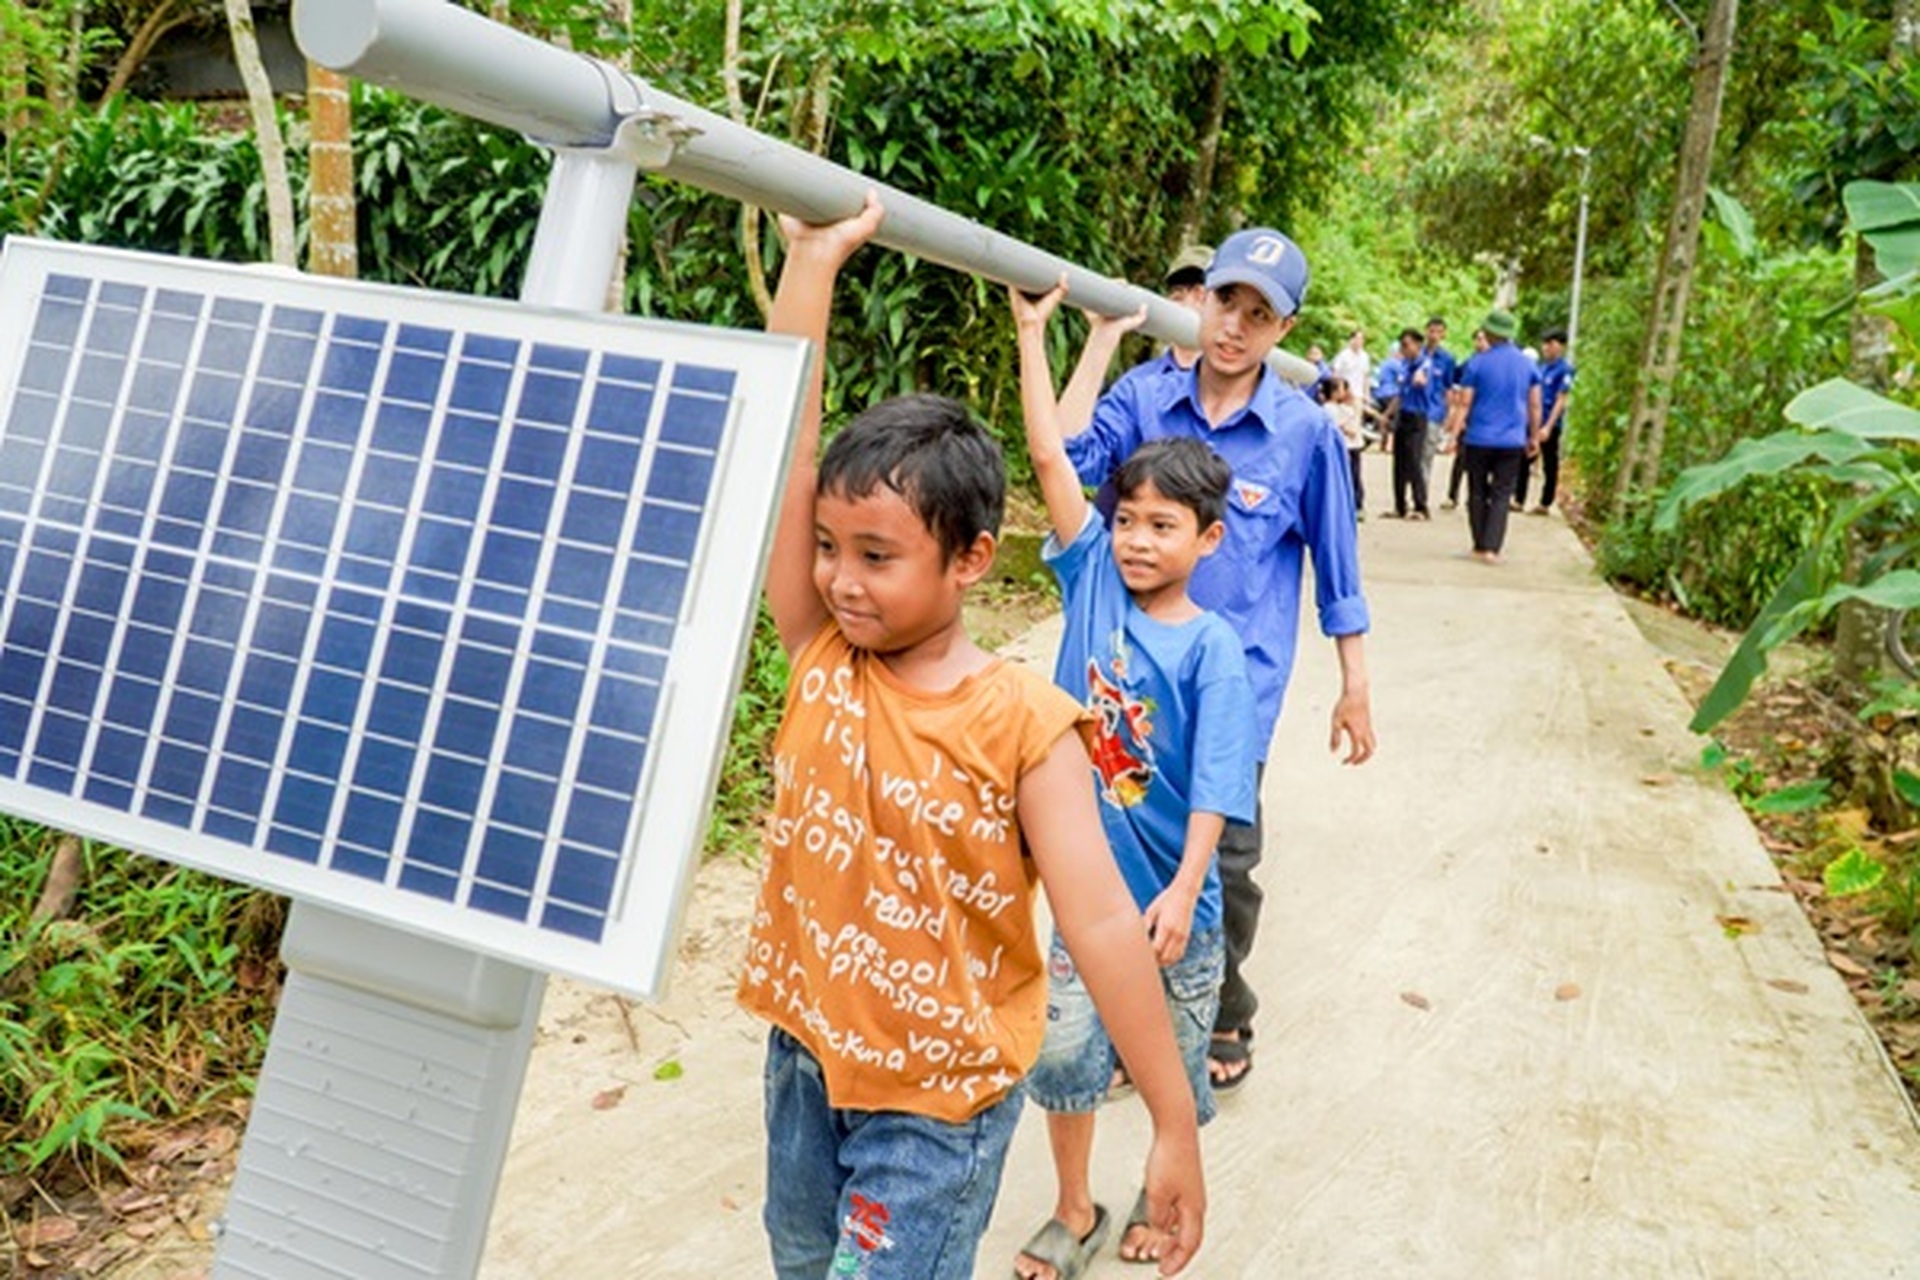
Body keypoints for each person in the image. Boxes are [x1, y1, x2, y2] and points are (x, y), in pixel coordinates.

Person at [738, 194, 1206, 1280]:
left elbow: (1097, 920)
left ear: (972, 560)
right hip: (804, 1060)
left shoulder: (1026, 724)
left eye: (876, 553)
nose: (840, 578)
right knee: (801, 1262)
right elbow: (779, 455)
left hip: (938, 1105)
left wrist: (1172, 1122)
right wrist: (810, 266)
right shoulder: (820, 650)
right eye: (826, 546)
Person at [1059, 226, 1377, 1094]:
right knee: (1132, 852)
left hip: (1238, 685)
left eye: (1258, 314)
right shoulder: (1146, 396)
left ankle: (1225, 1006)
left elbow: (1337, 570)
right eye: (1223, 301)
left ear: (1284, 328)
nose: (1233, 326)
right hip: (1132, 677)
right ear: (1201, 300)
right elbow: (1070, 459)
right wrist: (1094, 343)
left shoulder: (1305, 433)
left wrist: (1354, 685)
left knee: (1225, 861)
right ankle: (1140, 1017)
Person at [1008, 279, 1258, 1277]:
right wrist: (1042, 334)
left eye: (1164, 525)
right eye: (1130, 519)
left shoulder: (1214, 648)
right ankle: (1074, 1206)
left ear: (1208, 538)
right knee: (1065, 1056)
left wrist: (1191, 884)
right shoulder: (1091, 578)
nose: (1139, 538)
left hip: (1175, 908)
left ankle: (1165, 1199)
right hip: (1085, 896)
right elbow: (1046, 455)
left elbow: (1215, 784)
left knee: (1174, 1074)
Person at [1446, 307, 1541, 564]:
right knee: (1502, 493)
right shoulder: (1527, 365)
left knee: (1476, 491)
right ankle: (1492, 549)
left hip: (1478, 438)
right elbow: (1534, 404)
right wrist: (1534, 436)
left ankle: (1478, 545)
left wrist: (1454, 435)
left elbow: (1464, 403)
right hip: (1512, 440)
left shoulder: (1477, 363)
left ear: (1488, 332)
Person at [1379, 327, 1428, 518]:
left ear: (1417, 344)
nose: (1404, 349)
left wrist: (1420, 379)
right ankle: (1400, 505)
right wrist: (1387, 414)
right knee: (1398, 461)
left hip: (1417, 416)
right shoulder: (1405, 366)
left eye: (1407, 345)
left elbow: (1422, 379)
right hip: (1403, 414)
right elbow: (1400, 394)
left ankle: (1420, 506)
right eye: (1402, 345)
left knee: (1414, 462)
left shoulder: (1425, 363)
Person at [1527, 328, 1575, 513]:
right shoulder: (1541, 368)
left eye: (1551, 343)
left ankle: (1545, 502)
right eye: (1545, 343)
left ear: (1560, 346)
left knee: (1549, 462)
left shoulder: (1565, 370)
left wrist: (1548, 426)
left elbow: (1561, 399)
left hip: (1550, 423)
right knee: (1524, 458)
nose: (1546, 347)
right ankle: (1518, 497)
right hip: (1535, 420)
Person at [1441, 327, 1490, 510]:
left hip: (1484, 419)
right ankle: (1452, 495)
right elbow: (1456, 392)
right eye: (1477, 339)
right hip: (1467, 418)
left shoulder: (1493, 365)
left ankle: (1477, 496)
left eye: (1483, 339)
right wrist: (1454, 418)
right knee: (1460, 458)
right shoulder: (1468, 364)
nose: (1480, 343)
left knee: (1481, 463)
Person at [1412, 317, 1458, 509]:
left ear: (1443, 334)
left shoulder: (1447, 359)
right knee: (1411, 455)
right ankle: (1411, 493)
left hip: (1434, 411)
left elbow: (1449, 388)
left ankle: (1421, 498)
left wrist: (1449, 414)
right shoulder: (1415, 354)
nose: (1434, 336)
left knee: (1426, 455)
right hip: (1414, 409)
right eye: (1431, 331)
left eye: (1438, 332)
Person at [1322, 375, 1368, 519]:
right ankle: (1350, 505)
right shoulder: (1328, 409)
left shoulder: (1344, 408)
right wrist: (1347, 429)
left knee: (1355, 476)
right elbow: (1335, 425)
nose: (1346, 392)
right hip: (1345, 446)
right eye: (1343, 389)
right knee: (1347, 477)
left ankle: (1357, 504)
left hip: (1353, 446)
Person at [1329, 326, 1372, 424]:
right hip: (1344, 393)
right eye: (1357, 338)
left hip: (1358, 394)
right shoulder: (1343, 355)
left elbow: (1366, 377)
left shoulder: (1365, 357)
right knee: (1343, 420)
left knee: (1356, 421)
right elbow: (1335, 373)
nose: (1359, 341)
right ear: (1352, 339)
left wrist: (1367, 394)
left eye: (1361, 339)